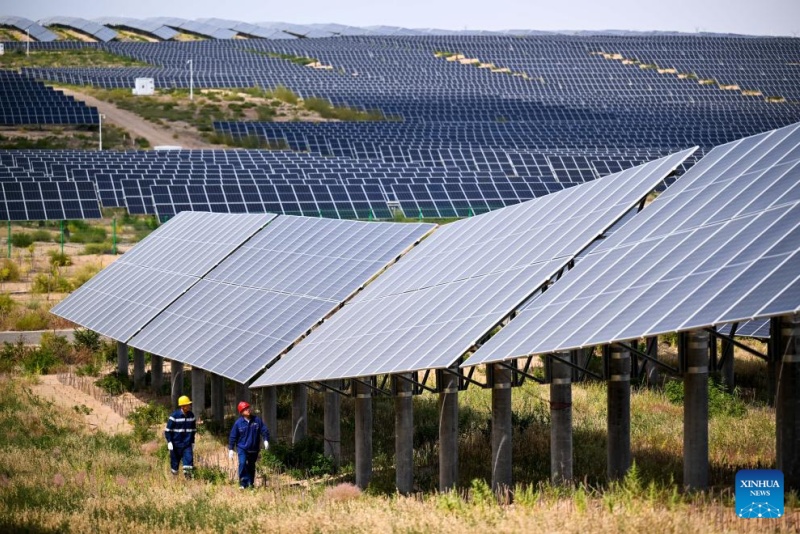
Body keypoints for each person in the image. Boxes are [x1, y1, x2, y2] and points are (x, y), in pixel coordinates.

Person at [228, 401, 270, 489]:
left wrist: (266, 440)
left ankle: (250, 484)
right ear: (241, 412)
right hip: (242, 448)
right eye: (245, 409)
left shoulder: (256, 420)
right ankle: (243, 483)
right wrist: (231, 449)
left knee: (251, 466)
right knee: (242, 463)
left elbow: (264, 430)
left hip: (253, 448)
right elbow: (233, 436)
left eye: (248, 408)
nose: (248, 410)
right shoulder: (238, 423)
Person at [164, 395, 196, 479]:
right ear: (182, 406)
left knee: (189, 464)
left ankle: (189, 481)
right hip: (175, 445)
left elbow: (193, 430)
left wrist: (192, 442)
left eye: (189, 404)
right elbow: (167, 431)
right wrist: (169, 442)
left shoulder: (191, 416)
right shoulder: (174, 416)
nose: (189, 406)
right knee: (175, 465)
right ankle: (175, 481)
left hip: (187, 444)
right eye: (188, 405)